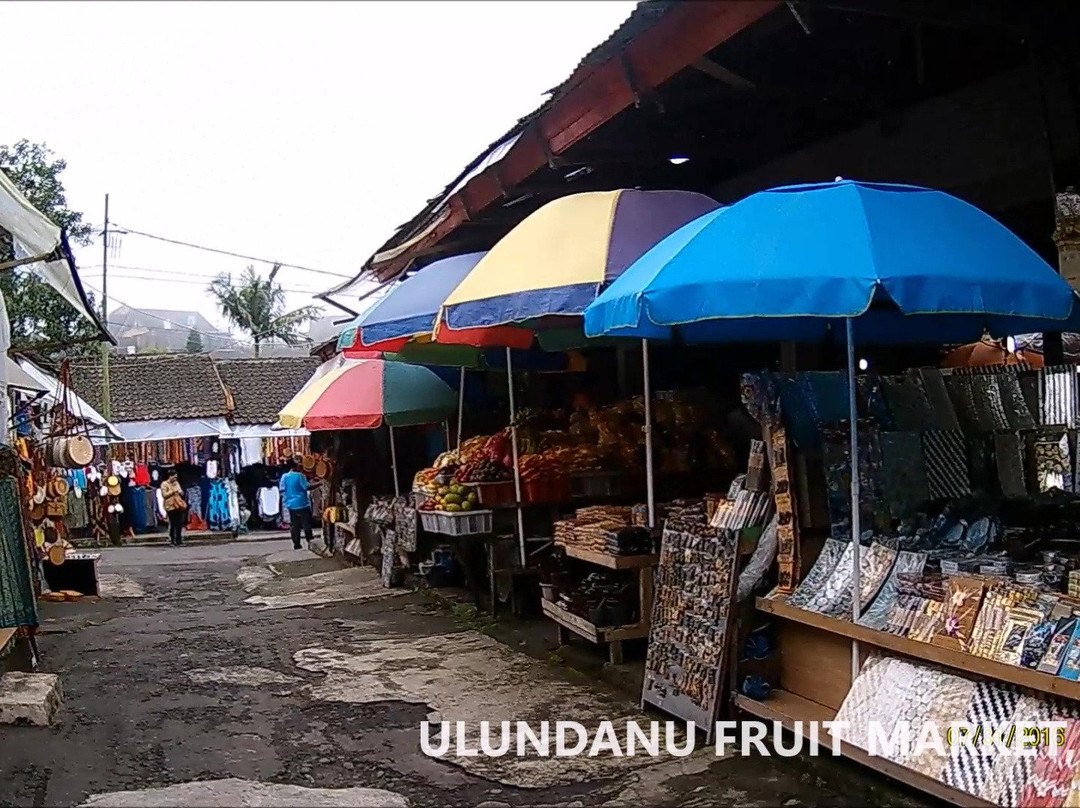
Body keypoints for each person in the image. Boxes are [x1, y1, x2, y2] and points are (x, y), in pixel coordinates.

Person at [279, 459, 314, 550]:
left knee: (295, 525)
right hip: (302, 503)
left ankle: (296, 544)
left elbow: (282, 489)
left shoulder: (284, 477)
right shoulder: (300, 476)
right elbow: (306, 487)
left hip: (291, 504)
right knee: (306, 524)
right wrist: (319, 483)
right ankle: (310, 542)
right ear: (295, 466)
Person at [160, 469, 187, 547]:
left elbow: (180, 491)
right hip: (170, 506)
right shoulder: (164, 484)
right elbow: (164, 495)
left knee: (179, 523)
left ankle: (179, 539)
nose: (175, 479)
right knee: (173, 523)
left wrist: (180, 492)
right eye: (174, 477)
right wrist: (173, 491)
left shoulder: (176, 483)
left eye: (176, 477)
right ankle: (172, 540)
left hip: (177, 504)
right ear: (170, 476)